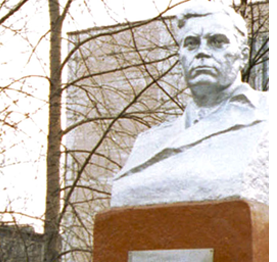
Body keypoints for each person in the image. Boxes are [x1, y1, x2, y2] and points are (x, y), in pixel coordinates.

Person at [110, 0, 268, 207]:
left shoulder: (269, 113)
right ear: (180, 57)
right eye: (191, 43)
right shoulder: (148, 142)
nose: (202, 52)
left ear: (243, 56)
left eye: (217, 41)